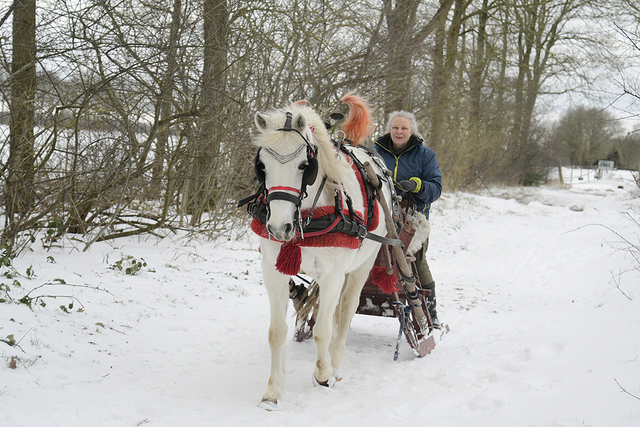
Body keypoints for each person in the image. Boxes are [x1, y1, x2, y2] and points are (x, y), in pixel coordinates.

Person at [373, 111, 443, 328]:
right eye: (395, 127)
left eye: (404, 128)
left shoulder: (425, 155)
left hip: (413, 218)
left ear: (411, 130)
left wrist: (418, 185)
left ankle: (431, 311)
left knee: (417, 261)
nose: (399, 132)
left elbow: (436, 188)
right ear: (389, 129)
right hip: (378, 214)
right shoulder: (375, 152)